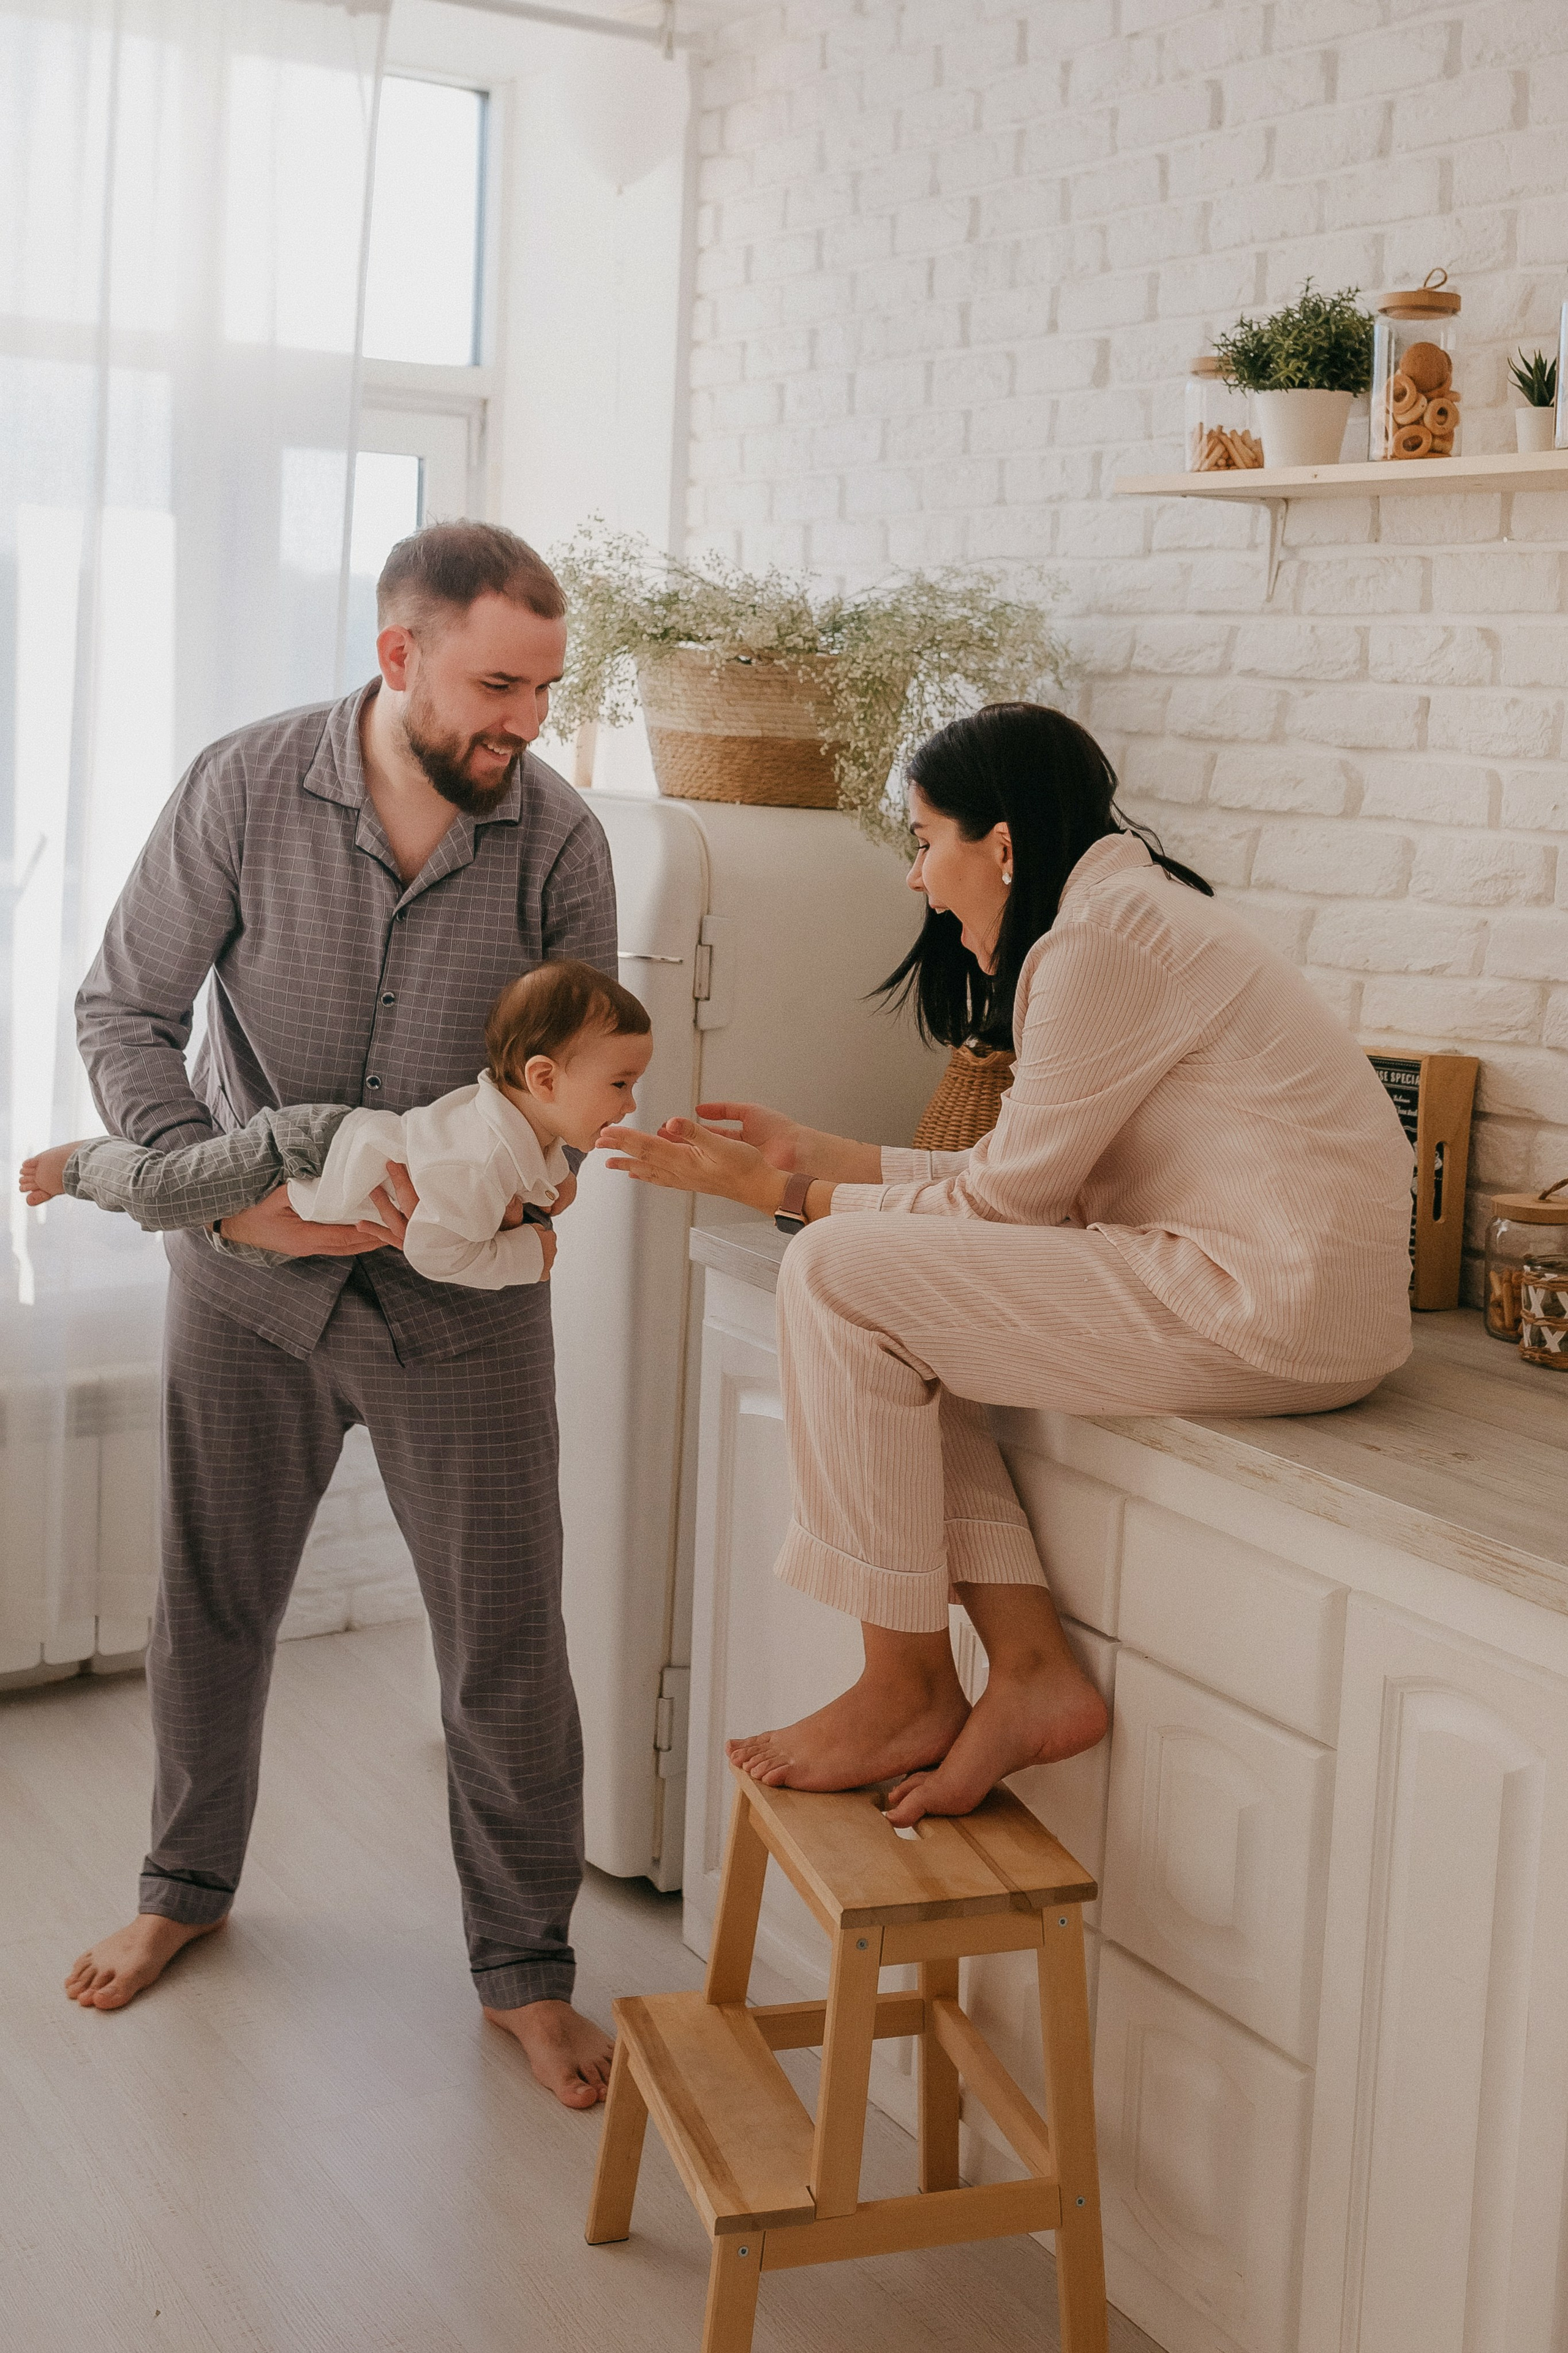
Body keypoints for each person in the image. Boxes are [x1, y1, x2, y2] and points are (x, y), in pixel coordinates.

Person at [603, 703, 1414, 1826]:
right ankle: (1028, 1671)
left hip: (1257, 1302)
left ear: (1003, 843)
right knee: (884, 1290)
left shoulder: (1103, 940)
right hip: (1280, 1297)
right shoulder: (1123, 920)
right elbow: (1020, 1174)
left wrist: (783, 1195)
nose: (915, 874)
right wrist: (823, 1154)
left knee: (839, 1274)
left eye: (926, 836)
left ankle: (907, 1686)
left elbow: (1002, 1205)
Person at [62, 521, 622, 2111]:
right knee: (211, 1603)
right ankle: (184, 1886)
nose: (524, 724)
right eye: (496, 685)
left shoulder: (561, 843)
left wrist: (548, 1169)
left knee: (506, 1644)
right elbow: (122, 1004)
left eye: (544, 690)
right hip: (245, 1285)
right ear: (399, 657)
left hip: (462, 1306)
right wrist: (214, 1192)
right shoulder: (242, 788)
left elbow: (572, 1078)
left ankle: (527, 1969)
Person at [22, 961, 653, 1292]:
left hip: (324, 1173)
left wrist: (550, 1189)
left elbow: (530, 1166)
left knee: (237, 1239)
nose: (629, 1104)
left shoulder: (518, 1130)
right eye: (619, 1084)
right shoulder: (478, 1164)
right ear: (542, 1080)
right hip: (304, 1150)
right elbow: (435, 1251)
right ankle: (79, 1163)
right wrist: (527, 1255)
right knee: (165, 1194)